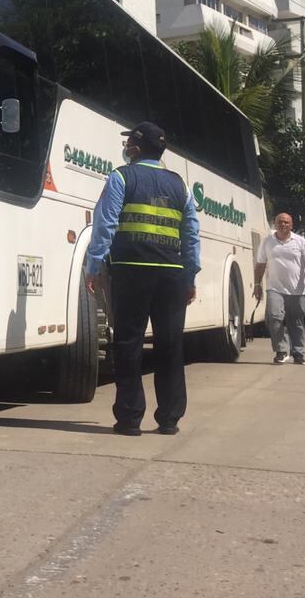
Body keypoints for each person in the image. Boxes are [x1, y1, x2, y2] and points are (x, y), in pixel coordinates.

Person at [85, 122, 201, 437]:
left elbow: (106, 223)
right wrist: (190, 274)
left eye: (129, 143)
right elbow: (191, 233)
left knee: (128, 343)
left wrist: (94, 265)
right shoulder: (181, 185)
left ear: (135, 148)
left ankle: (130, 418)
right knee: (170, 345)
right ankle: (169, 419)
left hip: (131, 270)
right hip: (172, 275)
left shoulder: (121, 176)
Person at [254, 211, 305, 364]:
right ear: (275, 224)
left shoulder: (300, 242)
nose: (283, 224)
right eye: (280, 222)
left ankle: (298, 352)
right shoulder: (267, 242)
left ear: (291, 225)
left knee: (295, 321)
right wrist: (257, 284)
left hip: (297, 290)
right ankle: (281, 350)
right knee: (275, 318)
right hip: (275, 288)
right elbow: (260, 264)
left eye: (286, 222)